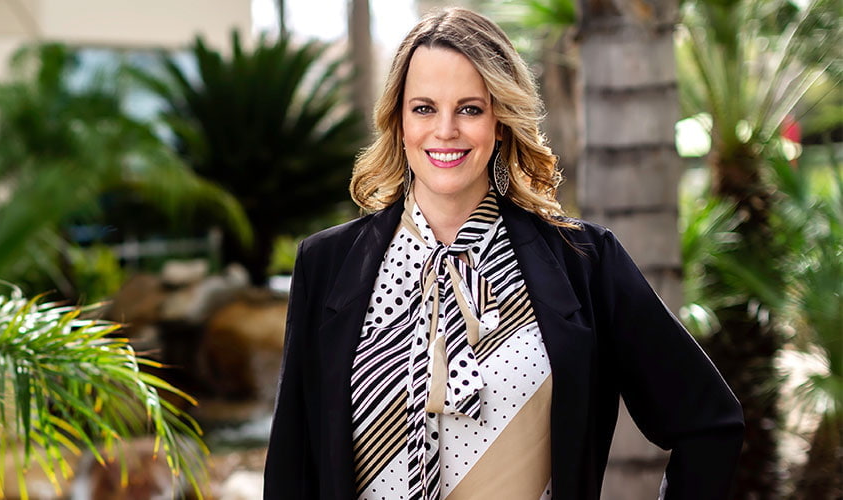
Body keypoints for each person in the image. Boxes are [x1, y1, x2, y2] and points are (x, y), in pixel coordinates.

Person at [263, 7, 742, 500]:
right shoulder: (326, 264)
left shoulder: (585, 262)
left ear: (500, 120)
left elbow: (709, 425)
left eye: (469, 108)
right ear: (398, 120)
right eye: (424, 108)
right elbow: (290, 469)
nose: (445, 130)